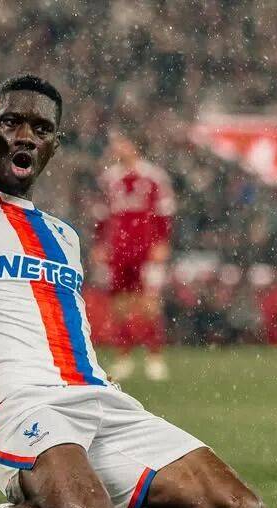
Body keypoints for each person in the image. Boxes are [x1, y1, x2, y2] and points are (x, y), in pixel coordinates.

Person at [0, 75, 265, 508]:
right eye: (11, 123)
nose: (25, 136)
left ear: (54, 145)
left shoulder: (64, 235)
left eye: (41, 129)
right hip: (21, 406)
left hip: (100, 402)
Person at [99, 132, 175, 381]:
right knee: (120, 304)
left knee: (149, 302)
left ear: (134, 146)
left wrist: (161, 241)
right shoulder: (110, 178)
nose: (118, 148)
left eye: (123, 143)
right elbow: (102, 214)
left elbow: (165, 211)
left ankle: (155, 356)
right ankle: (124, 356)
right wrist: (100, 243)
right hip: (119, 249)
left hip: (146, 249)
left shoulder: (154, 177)